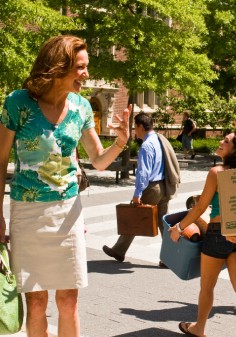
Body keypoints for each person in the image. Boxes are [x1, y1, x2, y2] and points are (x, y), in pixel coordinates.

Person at [0, 35, 130, 337]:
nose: (86, 74)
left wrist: (121, 143)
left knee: (69, 299)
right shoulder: (18, 103)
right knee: (35, 302)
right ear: (58, 68)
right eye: (80, 68)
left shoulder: (81, 107)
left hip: (67, 213)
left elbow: (98, 160)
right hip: (27, 213)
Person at [169, 132, 236, 337]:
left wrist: (179, 228)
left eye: (226, 142)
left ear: (235, 150)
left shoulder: (217, 172)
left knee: (207, 286)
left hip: (218, 233)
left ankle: (199, 328)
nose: (221, 142)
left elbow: (200, 207)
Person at [102, 112, 180, 264]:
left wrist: (137, 193)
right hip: (165, 185)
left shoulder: (146, 145)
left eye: (135, 127)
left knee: (133, 217)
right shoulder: (159, 139)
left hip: (152, 188)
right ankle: (170, 257)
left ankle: (118, 251)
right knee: (163, 224)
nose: (134, 131)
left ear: (140, 126)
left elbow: (143, 172)